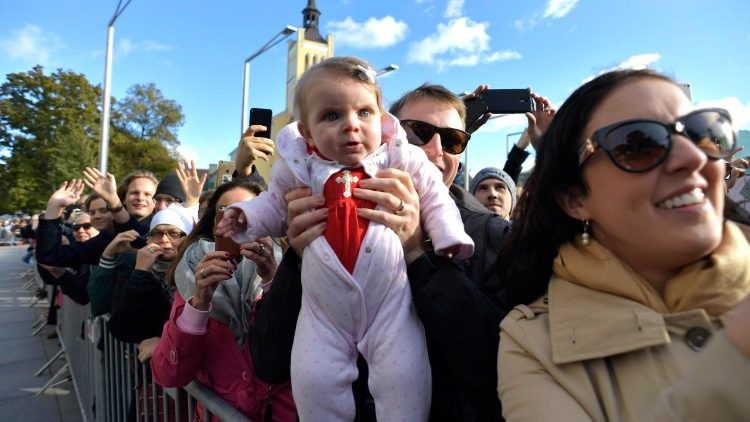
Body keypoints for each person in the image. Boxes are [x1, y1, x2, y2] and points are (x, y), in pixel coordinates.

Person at [218, 57, 473, 421]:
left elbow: (434, 196)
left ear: (381, 122)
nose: (352, 126)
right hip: (324, 310)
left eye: (452, 140)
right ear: (307, 133)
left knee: (404, 374)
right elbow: (272, 203)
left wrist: (436, 241)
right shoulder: (301, 170)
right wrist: (267, 231)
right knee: (314, 376)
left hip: (390, 308)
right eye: (332, 116)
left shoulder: (405, 164)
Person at [495, 69, 750, 420]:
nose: (692, 158)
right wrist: (737, 355)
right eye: (639, 144)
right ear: (575, 198)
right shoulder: (532, 344)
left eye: (703, 134)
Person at [257, 82, 515, 421]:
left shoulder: (491, 235)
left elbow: (500, 368)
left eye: (453, 139)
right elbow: (268, 361)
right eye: (419, 133)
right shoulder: (324, 212)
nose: (435, 151)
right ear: (385, 136)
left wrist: (416, 250)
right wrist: (301, 254)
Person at [150, 179, 295, 422]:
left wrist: (272, 279)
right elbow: (169, 375)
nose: (238, 222)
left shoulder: (292, 270)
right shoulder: (191, 275)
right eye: (227, 213)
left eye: (250, 213)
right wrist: (200, 302)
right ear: (214, 224)